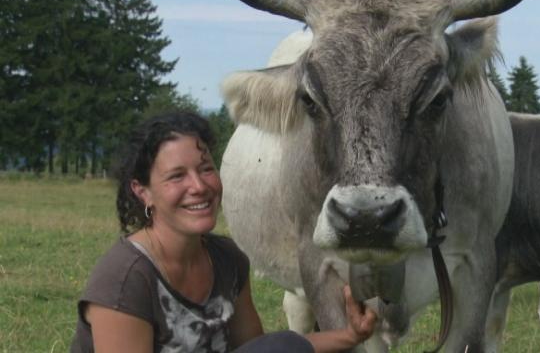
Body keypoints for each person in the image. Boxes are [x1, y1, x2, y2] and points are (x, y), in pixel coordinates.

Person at [71, 111, 377, 352]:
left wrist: (350, 335)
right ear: (143, 192)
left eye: (205, 169)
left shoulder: (225, 259)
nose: (199, 186)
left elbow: (262, 350)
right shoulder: (125, 280)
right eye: (177, 176)